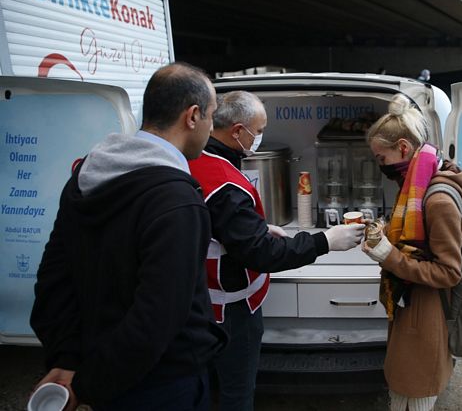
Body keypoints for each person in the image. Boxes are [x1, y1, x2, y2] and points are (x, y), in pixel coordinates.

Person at [30, 63, 228, 410]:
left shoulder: (86, 175)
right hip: (164, 383)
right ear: (193, 116)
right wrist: (89, 384)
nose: (211, 129)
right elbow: (156, 318)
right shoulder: (178, 201)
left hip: (100, 371)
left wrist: (68, 360)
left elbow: (53, 279)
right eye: (211, 117)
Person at [188, 91, 365, 411]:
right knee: (236, 392)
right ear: (237, 131)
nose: (260, 137)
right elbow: (262, 254)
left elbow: (214, 228)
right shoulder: (226, 181)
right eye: (258, 130)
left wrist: (251, 229)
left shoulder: (194, 159)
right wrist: (325, 241)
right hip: (230, 309)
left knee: (205, 387)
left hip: (200, 300)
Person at [360, 94, 462, 411]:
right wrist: (387, 238)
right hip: (412, 310)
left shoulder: (436, 201)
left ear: (402, 148)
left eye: (381, 159)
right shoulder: (417, 182)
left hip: (426, 318)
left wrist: (389, 255)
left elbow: (450, 273)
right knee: (404, 393)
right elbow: (416, 242)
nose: (381, 166)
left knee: (414, 397)